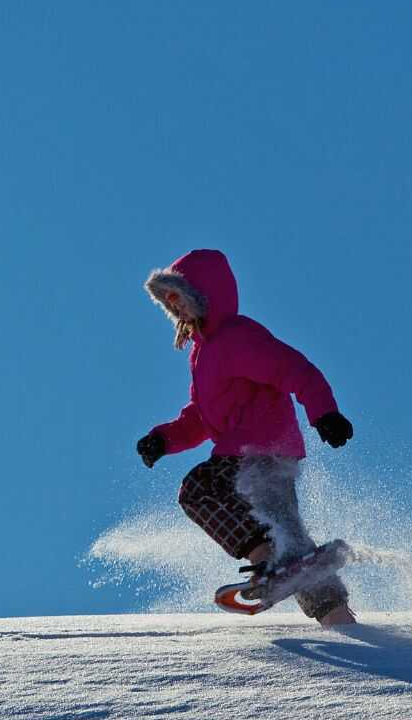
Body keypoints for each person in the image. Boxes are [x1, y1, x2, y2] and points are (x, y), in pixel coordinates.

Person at [134, 249, 358, 627]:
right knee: (294, 547)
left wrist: (325, 414)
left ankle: (267, 560)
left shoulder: (237, 338)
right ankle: (341, 622)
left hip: (257, 455)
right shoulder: (203, 355)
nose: (178, 310)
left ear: (203, 296)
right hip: (261, 457)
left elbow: (295, 369)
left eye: (181, 299)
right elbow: (201, 418)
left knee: (199, 490)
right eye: (171, 304)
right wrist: (164, 439)